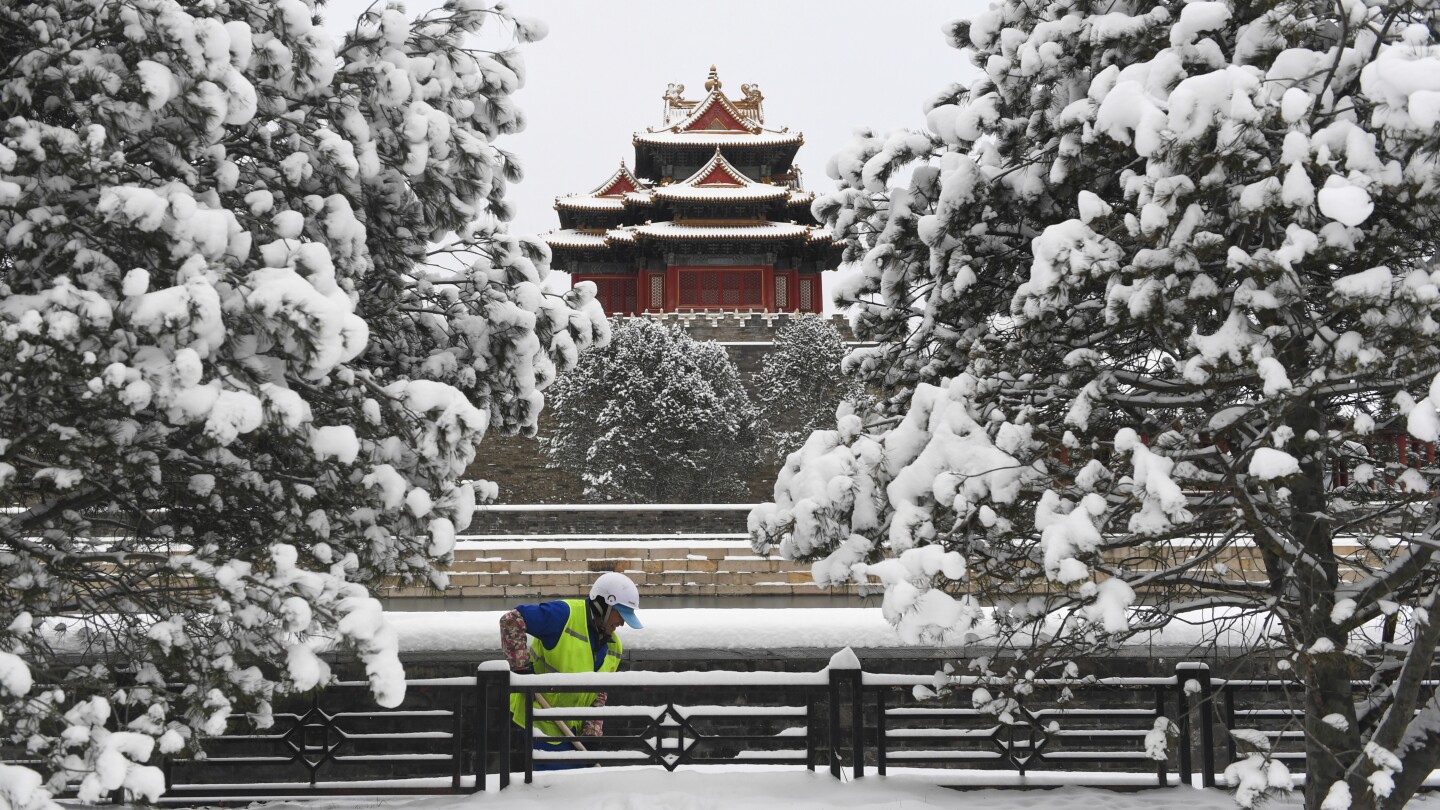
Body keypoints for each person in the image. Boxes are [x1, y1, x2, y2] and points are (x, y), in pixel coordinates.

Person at [499, 571, 643, 765]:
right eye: (621, 614)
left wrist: (592, 733)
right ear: (603, 605)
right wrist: (522, 669)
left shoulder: (613, 647)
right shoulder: (563, 616)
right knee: (548, 791)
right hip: (538, 726)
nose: (623, 623)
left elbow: (599, 694)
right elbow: (511, 620)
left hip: (573, 735)